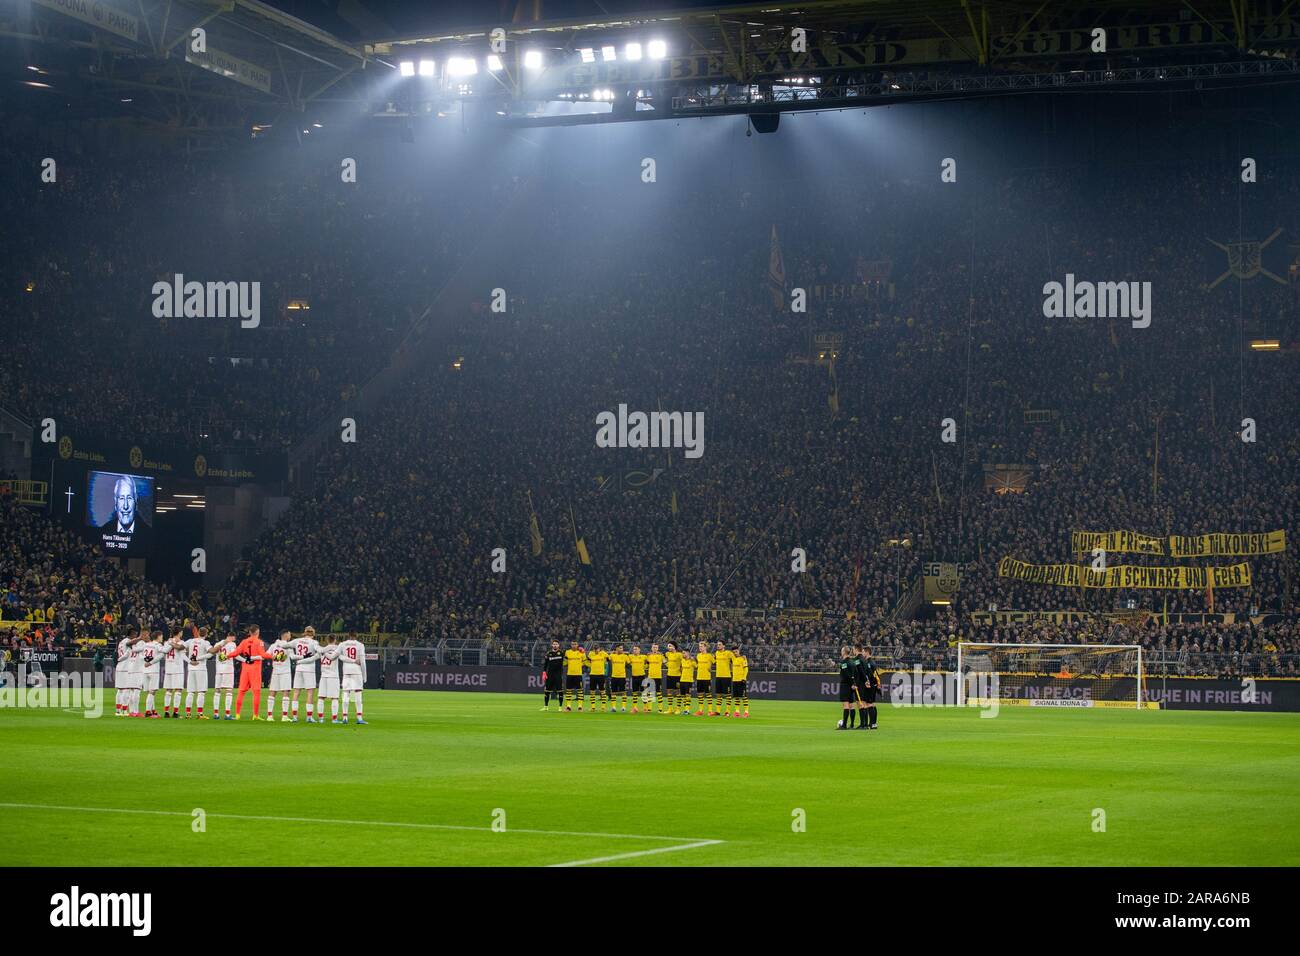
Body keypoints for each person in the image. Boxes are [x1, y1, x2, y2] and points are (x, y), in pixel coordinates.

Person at [232, 624, 271, 720]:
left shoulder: (244, 642)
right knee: (256, 692)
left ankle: (237, 715)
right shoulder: (259, 642)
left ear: (249, 632)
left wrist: (226, 655)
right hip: (255, 669)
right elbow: (263, 655)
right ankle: (255, 715)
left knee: (241, 691)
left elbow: (235, 653)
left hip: (245, 668)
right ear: (258, 632)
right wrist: (273, 656)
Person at [290, 626, 322, 722]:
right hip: (309, 669)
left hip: (299, 668)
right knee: (310, 692)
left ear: (305, 632)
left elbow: (290, 653)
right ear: (313, 633)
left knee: (296, 692)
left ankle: (294, 717)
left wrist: (299, 659)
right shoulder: (314, 642)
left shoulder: (297, 641)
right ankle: (309, 717)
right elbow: (319, 652)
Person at [336, 635, 367, 724]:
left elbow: (339, 656)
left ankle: (345, 717)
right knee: (358, 694)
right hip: (357, 671)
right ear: (356, 636)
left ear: (348, 636)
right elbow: (363, 662)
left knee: (346, 693)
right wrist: (364, 676)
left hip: (346, 671)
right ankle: (359, 718)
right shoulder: (360, 645)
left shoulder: (342, 644)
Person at [183, 626, 213, 718]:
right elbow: (210, 654)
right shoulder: (205, 642)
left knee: (190, 692)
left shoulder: (190, 641)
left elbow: (181, 652)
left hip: (191, 668)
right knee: (201, 692)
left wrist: (190, 661)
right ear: (206, 634)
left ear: (198, 633)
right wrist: (199, 658)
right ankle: (200, 714)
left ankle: (188, 713)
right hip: (201, 668)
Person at [265, 631, 294, 722]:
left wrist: (273, 656)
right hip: (285, 672)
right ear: (285, 635)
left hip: (275, 671)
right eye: (289, 634)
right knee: (286, 692)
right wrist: (303, 657)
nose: (290, 636)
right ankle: (284, 716)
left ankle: (269, 716)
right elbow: (293, 657)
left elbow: (266, 654)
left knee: (272, 692)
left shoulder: (274, 645)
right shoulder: (288, 645)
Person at [854, 643, 880, 730]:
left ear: (867, 652)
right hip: (872, 684)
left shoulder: (869, 662)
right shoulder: (871, 662)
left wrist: (868, 682)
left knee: (868, 704)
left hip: (869, 685)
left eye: (864, 652)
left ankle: (870, 724)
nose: (863, 653)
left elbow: (868, 674)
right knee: (872, 704)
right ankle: (873, 723)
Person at [138, 631, 165, 718]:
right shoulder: (158, 645)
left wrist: (146, 660)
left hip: (145, 670)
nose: (162, 638)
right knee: (152, 692)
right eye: (161, 636)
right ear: (158, 636)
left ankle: (153, 711)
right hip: (153, 670)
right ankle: (148, 712)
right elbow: (161, 655)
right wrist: (151, 662)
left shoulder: (146, 644)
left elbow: (140, 655)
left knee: (149, 692)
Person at [161, 628, 187, 718]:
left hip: (168, 668)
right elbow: (180, 648)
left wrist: (170, 642)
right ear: (180, 633)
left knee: (168, 691)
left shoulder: (166, 642)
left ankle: (166, 712)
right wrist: (172, 642)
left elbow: (164, 652)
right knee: (178, 690)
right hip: (177, 669)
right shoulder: (181, 642)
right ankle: (175, 713)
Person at [316, 635, 342, 724]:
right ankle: (334, 719)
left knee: (321, 697)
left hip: (324, 676)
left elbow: (314, 657)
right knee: (334, 698)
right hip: (333, 676)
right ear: (335, 640)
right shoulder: (338, 649)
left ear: (327, 640)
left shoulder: (322, 650)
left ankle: (321, 718)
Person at [211, 633, 237, 719]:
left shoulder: (218, 644)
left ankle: (216, 714)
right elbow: (234, 654)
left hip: (219, 670)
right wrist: (245, 660)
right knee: (229, 691)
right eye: (234, 637)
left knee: (217, 691)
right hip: (228, 670)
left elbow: (212, 653)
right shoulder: (232, 644)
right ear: (231, 637)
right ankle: (227, 714)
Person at [837, 645, 858, 729]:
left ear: (844, 652)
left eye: (842, 651)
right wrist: (854, 684)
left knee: (845, 705)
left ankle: (844, 725)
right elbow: (856, 674)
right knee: (851, 705)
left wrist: (851, 683)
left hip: (845, 685)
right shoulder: (853, 662)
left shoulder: (844, 663)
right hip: (852, 686)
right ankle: (852, 724)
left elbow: (846, 674)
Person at [540, 639, 564, 711]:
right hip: (550, 674)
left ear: (559, 645)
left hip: (558, 674)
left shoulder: (562, 653)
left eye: (556, 644)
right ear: (552, 645)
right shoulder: (548, 653)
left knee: (560, 691)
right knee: (547, 691)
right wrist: (544, 672)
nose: (555, 645)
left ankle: (560, 707)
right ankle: (546, 706)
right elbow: (546, 664)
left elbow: (569, 656)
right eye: (554, 644)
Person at [563, 639, 585, 712]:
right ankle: (568, 707)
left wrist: (580, 664)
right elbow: (565, 662)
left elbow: (585, 661)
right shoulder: (567, 652)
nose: (574, 645)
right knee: (569, 691)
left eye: (575, 644)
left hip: (578, 674)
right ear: (571, 645)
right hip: (570, 674)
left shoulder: (581, 652)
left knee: (580, 691)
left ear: (577, 645)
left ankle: (580, 707)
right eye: (572, 644)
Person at [586, 642, 608, 712]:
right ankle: (593, 707)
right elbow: (588, 661)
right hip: (593, 674)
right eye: (595, 649)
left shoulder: (603, 653)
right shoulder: (591, 654)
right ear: (593, 649)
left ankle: (603, 707)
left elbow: (608, 659)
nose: (596, 650)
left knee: (602, 691)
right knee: (592, 691)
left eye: (597, 649)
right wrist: (591, 666)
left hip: (601, 674)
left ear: (599, 649)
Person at [713, 640, 733, 718]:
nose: (718, 646)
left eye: (720, 644)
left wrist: (732, 671)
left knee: (728, 695)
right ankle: (718, 711)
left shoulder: (728, 653)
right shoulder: (716, 653)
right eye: (717, 644)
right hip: (718, 676)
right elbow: (713, 661)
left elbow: (734, 660)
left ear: (724, 646)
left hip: (726, 677)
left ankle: (727, 711)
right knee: (718, 695)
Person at [694, 641, 714, 716]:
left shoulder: (709, 656)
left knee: (708, 694)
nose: (700, 648)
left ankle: (710, 711)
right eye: (699, 646)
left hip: (706, 677)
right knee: (700, 694)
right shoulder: (698, 655)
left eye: (701, 646)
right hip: (699, 677)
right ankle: (700, 710)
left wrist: (710, 668)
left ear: (705, 647)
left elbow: (714, 662)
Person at [608, 643, 629, 712]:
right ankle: (614, 707)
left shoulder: (625, 656)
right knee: (613, 692)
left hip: (622, 676)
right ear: (616, 649)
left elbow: (629, 663)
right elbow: (607, 658)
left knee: (623, 692)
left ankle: (623, 707)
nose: (621, 650)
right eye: (620, 648)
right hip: (614, 676)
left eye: (622, 648)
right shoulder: (612, 655)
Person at [645, 642, 665, 714]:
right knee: (650, 693)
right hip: (650, 676)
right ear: (651, 648)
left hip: (658, 676)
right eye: (653, 647)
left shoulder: (661, 656)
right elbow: (646, 665)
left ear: (658, 648)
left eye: (656, 647)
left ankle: (660, 709)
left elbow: (665, 663)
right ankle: (649, 708)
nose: (655, 649)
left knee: (659, 693)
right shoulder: (648, 656)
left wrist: (664, 656)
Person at [731, 647, 750, 718]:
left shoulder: (743, 659)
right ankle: (737, 711)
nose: (735, 653)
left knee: (744, 697)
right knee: (736, 697)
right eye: (734, 652)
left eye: (736, 651)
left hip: (741, 680)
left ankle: (746, 712)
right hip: (734, 680)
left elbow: (746, 669)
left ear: (738, 651)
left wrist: (744, 678)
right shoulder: (733, 659)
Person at [628, 645, 647, 713]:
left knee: (643, 693)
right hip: (634, 676)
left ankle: (645, 707)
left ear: (639, 650)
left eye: (636, 649)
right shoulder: (630, 657)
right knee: (634, 693)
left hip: (642, 676)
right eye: (634, 649)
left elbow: (648, 661)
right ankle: (635, 708)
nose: (634, 650)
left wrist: (645, 666)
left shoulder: (643, 656)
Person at [664, 641, 682, 714]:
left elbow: (683, 661)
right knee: (669, 692)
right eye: (668, 646)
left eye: (670, 646)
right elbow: (666, 662)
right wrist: (665, 663)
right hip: (669, 675)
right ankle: (670, 709)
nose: (669, 647)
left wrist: (681, 668)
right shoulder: (667, 654)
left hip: (677, 676)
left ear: (674, 647)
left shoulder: (679, 654)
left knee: (677, 692)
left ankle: (678, 709)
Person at [678, 651, 696, 716]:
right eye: (682, 653)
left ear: (688, 653)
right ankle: (685, 709)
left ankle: (687, 710)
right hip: (682, 680)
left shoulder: (692, 661)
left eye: (684, 653)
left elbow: (696, 666)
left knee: (687, 695)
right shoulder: (682, 660)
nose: (683, 654)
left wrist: (693, 660)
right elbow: (681, 669)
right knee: (683, 695)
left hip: (689, 680)